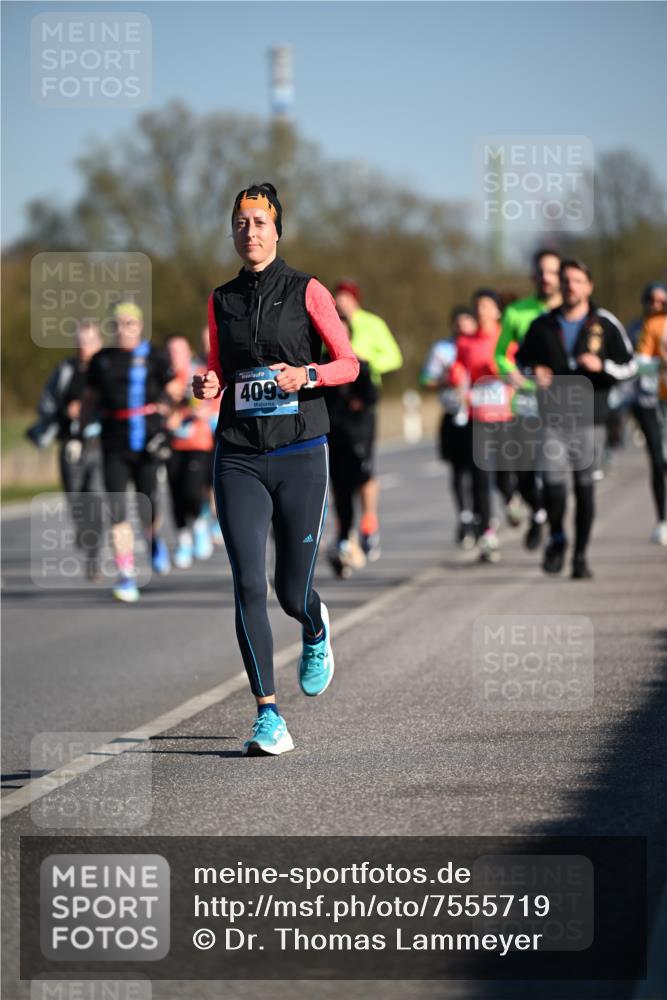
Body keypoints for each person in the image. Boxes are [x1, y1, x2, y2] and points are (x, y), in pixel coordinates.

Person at [193, 182, 359, 756]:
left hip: (299, 453)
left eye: (260, 222)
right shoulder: (221, 300)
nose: (250, 231)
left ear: (277, 229)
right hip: (238, 453)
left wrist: (306, 376)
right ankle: (268, 715)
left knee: (290, 591)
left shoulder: (307, 289)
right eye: (241, 222)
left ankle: (314, 625)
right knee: (246, 583)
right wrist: (207, 383)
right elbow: (217, 369)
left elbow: (349, 363)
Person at [516, 258, 636, 579]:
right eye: (566, 280)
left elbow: (630, 365)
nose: (571, 286)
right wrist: (533, 372)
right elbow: (522, 360)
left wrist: (602, 367)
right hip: (553, 417)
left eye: (578, 281)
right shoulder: (542, 324)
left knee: (584, 489)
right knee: (553, 487)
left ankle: (581, 557)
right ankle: (557, 535)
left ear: (589, 286)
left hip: (591, 417)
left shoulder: (604, 323)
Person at [81, 302, 180, 602]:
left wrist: (169, 414)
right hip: (114, 443)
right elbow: (90, 398)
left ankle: (153, 540)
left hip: (148, 441)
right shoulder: (101, 360)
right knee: (118, 511)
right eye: (117, 325)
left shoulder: (154, 356)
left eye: (129, 324)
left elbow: (175, 387)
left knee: (149, 506)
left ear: (139, 327)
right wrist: (81, 431)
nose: (123, 330)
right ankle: (126, 576)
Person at [495, 248, 562, 549]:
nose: (547, 278)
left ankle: (551, 524)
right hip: (526, 399)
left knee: (551, 465)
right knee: (522, 469)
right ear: (534, 276)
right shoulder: (517, 311)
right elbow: (500, 353)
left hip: (562, 399)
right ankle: (538, 511)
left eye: (553, 272)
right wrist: (514, 376)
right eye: (542, 272)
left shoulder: (571, 312)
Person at [28, 322, 105, 581]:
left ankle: (94, 559)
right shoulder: (65, 370)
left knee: (96, 499)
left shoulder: (107, 368)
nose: (84, 347)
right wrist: (66, 411)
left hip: (100, 443)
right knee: (75, 501)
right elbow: (48, 403)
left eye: (89, 341)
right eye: (79, 342)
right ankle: (84, 533)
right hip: (70, 444)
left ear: (99, 342)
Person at [334, 279, 403, 561]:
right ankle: (343, 531)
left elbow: (394, 357)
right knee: (338, 476)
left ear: (355, 300)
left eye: (345, 300)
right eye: (337, 300)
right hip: (336, 405)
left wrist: (367, 361)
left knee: (364, 468)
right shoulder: (329, 321)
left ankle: (369, 521)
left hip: (363, 401)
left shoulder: (372, 324)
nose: (341, 305)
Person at [447, 290, 515, 563]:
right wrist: (456, 375)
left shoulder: (506, 338)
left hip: (506, 414)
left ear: (498, 311)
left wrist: (503, 369)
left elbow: (517, 365)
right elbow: (460, 367)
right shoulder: (465, 342)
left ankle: (511, 500)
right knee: (481, 476)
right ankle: (488, 532)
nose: (482, 311)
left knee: (505, 473)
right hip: (479, 416)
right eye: (478, 307)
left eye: (487, 306)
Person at [325, 315, 378, 577]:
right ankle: (344, 537)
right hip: (331, 437)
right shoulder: (317, 365)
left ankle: (367, 524)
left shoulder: (362, 365)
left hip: (358, 436)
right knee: (340, 491)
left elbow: (371, 397)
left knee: (362, 479)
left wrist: (358, 401)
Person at [421, 306, 478, 549]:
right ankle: (465, 517)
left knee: (480, 471)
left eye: (468, 322)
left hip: (479, 415)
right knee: (458, 469)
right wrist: (445, 379)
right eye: (458, 322)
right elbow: (425, 379)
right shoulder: (442, 349)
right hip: (453, 415)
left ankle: (481, 517)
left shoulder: (483, 344)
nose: (463, 326)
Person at [164, 335, 216, 568]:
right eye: (170, 352)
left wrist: (202, 411)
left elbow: (215, 402)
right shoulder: (164, 378)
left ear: (188, 352)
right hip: (172, 444)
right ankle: (184, 541)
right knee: (175, 494)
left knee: (193, 490)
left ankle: (199, 523)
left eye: (179, 352)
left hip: (198, 442)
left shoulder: (201, 373)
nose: (174, 357)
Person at [635, 298, 667, 544]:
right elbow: (641, 365)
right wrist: (660, 363)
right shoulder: (656, 324)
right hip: (658, 402)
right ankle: (663, 520)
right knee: (659, 461)